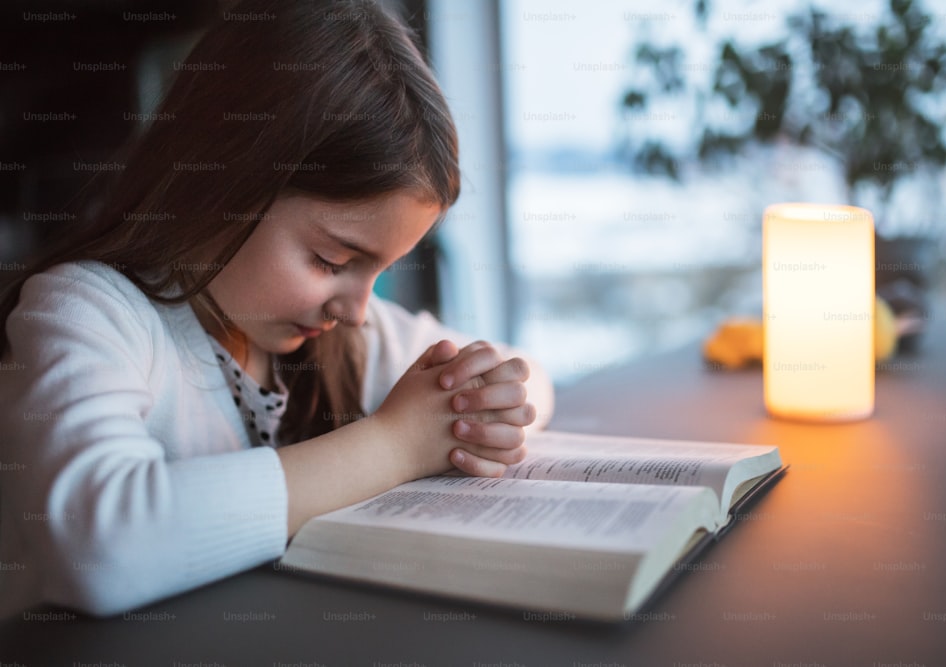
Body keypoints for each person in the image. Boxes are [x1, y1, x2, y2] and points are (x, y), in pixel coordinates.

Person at [0, 0, 553, 618]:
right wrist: (394, 445)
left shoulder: (336, 340)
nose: (356, 309)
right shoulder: (87, 314)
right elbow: (99, 548)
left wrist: (487, 405)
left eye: (382, 271)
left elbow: (530, 375)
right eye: (332, 261)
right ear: (223, 184)